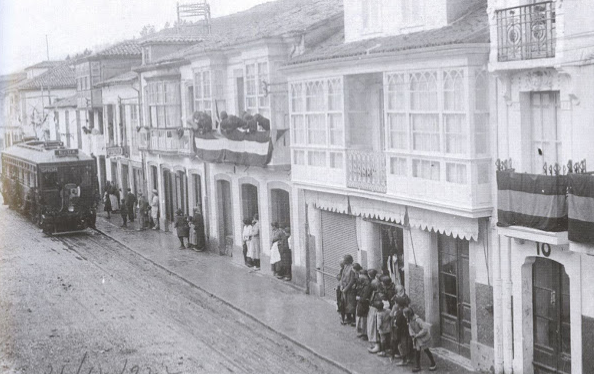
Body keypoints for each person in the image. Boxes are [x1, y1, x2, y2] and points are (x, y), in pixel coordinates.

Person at [404, 307, 437, 372]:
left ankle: (433, 363)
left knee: (426, 350)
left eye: (404, 314)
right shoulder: (409, 320)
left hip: (423, 338)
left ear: (408, 314)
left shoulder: (418, 320)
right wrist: (412, 334)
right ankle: (417, 366)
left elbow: (425, 328)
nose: (404, 315)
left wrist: (417, 335)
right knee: (417, 351)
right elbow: (410, 328)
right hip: (417, 339)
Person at [391, 288, 413, 366]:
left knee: (401, 345)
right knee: (408, 343)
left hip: (401, 331)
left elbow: (397, 323)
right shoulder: (407, 310)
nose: (395, 304)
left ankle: (404, 360)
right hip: (408, 330)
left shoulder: (399, 313)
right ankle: (409, 358)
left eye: (396, 303)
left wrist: (395, 320)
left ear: (398, 304)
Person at [367, 269, 382, 353]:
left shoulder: (379, 294)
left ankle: (377, 346)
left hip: (375, 312)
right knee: (373, 328)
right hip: (373, 310)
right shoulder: (375, 292)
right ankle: (375, 344)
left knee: (375, 328)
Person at [340, 254, 357, 326]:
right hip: (344, 289)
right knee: (345, 304)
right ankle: (348, 318)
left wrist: (346, 289)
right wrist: (341, 286)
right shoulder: (345, 267)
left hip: (350, 290)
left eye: (344, 260)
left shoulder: (352, 269)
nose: (343, 261)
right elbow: (342, 277)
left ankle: (353, 319)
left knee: (351, 305)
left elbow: (352, 281)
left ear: (347, 261)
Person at [355, 267, 371, 340]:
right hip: (361, 304)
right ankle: (362, 332)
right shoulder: (363, 282)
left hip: (364, 304)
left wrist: (359, 298)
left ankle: (364, 334)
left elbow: (365, 296)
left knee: (364, 319)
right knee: (361, 318)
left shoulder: (367, 285)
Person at [336, 260, 346, 325]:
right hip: (340, 288)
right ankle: (342, 318)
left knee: (341, 303)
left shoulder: (344, 270)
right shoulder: (342, 270)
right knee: (340, 303)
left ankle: (342, 318)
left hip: (342, 288)